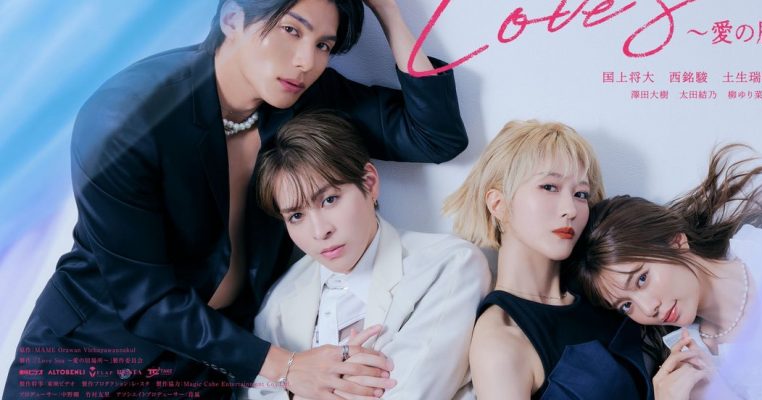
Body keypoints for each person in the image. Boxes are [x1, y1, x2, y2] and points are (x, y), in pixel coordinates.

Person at [3, 0, 468, 398]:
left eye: (324, 45)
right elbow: (146, 299)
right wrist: (289, 366)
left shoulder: (303, 99)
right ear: (232, 18)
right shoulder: (126, 116)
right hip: (87, 358)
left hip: (209, 365)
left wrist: (388, 11)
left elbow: (436, 135)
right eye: (292, 31)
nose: (306, 60)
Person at [241, 112, 489, 399]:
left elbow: (411, 394)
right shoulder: (279, 303)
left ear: (369, 184)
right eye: (296, 215)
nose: (320, 231)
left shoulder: (449, 265)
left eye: (329, 200)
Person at [570, 144, 762, 399]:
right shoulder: (693, 366)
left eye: (642, 279)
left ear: (676, 242)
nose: (648, 309)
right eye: (626, 305)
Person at [443, 120, 651, 400]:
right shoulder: (502, 340)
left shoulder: (602, 290)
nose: (570, 210)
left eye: (580, 194)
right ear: (498, 204)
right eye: (549, 187)